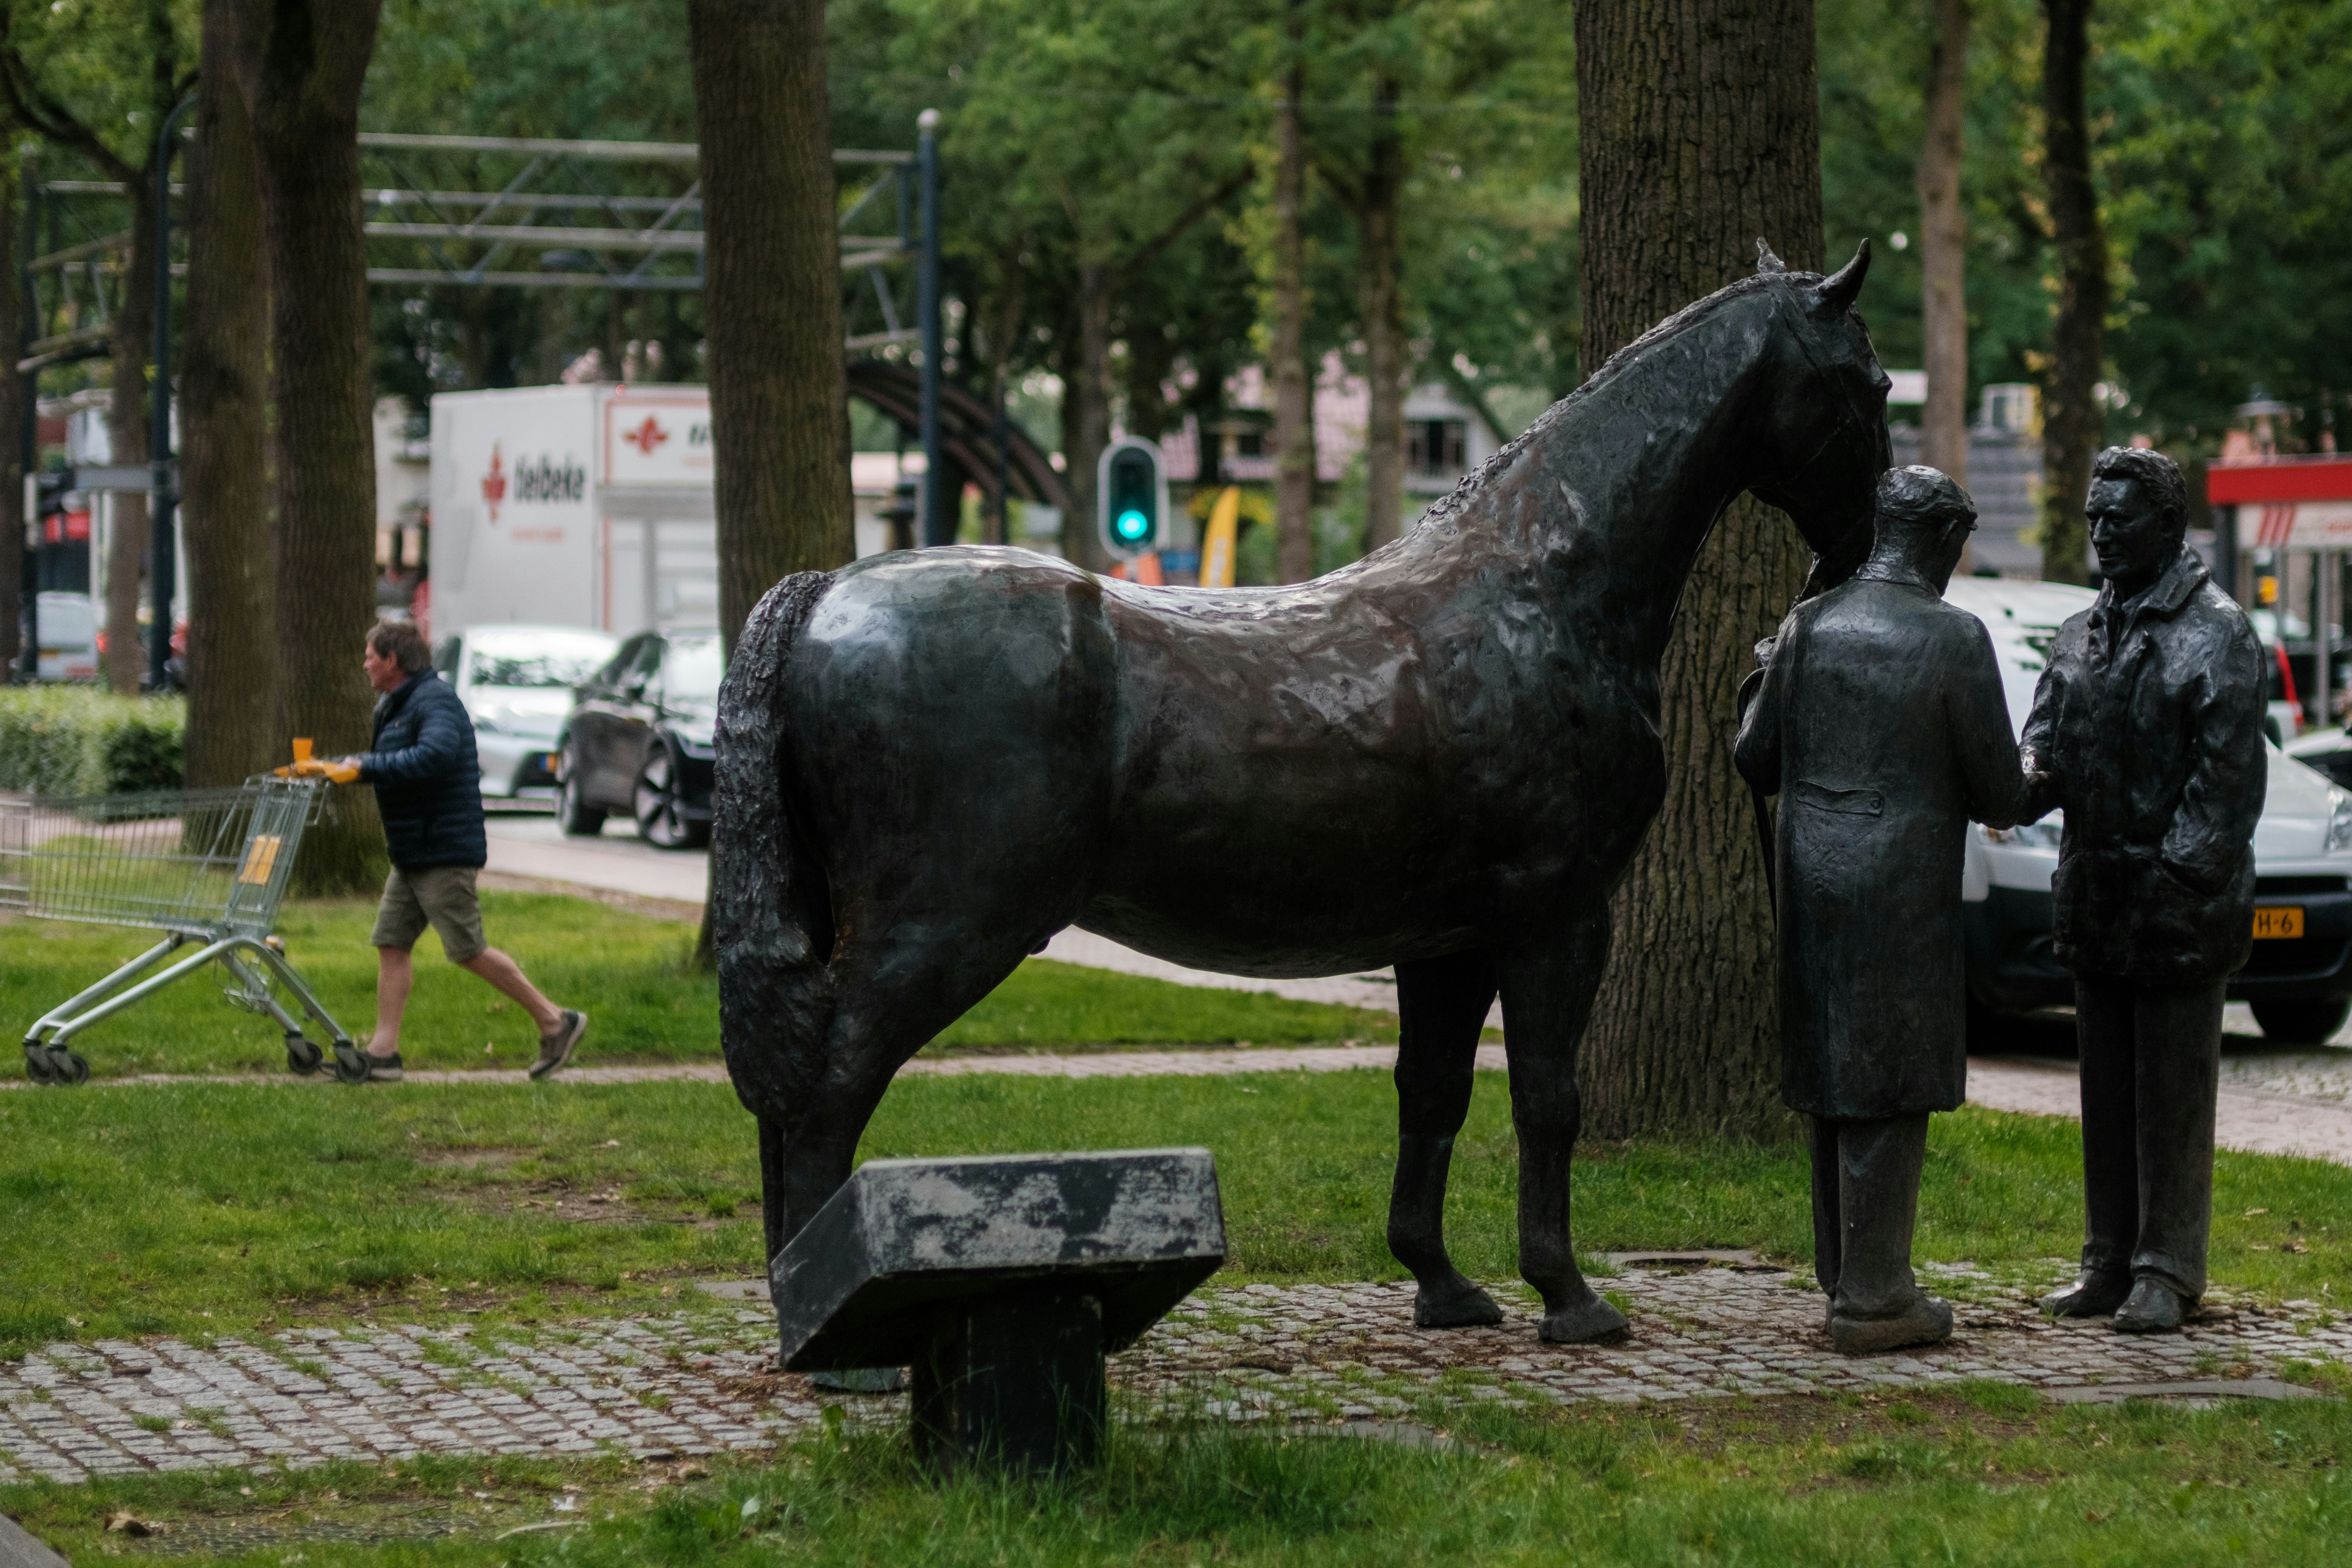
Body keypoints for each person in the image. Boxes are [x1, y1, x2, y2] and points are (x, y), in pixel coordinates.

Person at [1735, 466, 2029, 1354]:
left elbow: (1754, 760)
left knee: (1833, 1074)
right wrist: (2049, 776)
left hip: (1813, 881)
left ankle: (1845, 1275)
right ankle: (1873, 1298)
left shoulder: (1809, 625)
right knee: (1889, 1080)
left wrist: (1763, 678)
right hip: (1896, 889)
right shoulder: (1951, 637)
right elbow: (1999, 790)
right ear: (1940, 539)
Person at [2022, 447, 2267, 1333]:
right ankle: (2106, 1258)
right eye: (2091, 518)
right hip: (2093, 895)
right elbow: (2043, 741)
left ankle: (2166, 1266)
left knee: (2170, 1095)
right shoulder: (2079, 632)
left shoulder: (2217, 632)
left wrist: (2172, 879)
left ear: (2166, 526)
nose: (2098, 535)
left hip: (2174, 906)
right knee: (2105, 1093)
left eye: (2115, 520)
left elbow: (2224, 785)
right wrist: (2011, 783)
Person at [297, 620, 588, 1083]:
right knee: (391, 943)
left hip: (443, 848)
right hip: (414, 849)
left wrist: (364, 767)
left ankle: (555, 1020)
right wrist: (341, 767)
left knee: (468, 949)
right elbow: (395, 758)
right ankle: (384, 1052)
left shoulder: (434, 701)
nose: (365, 663)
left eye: (371, 654)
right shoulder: (398, 703)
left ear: (393, 660)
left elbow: (434, 755)